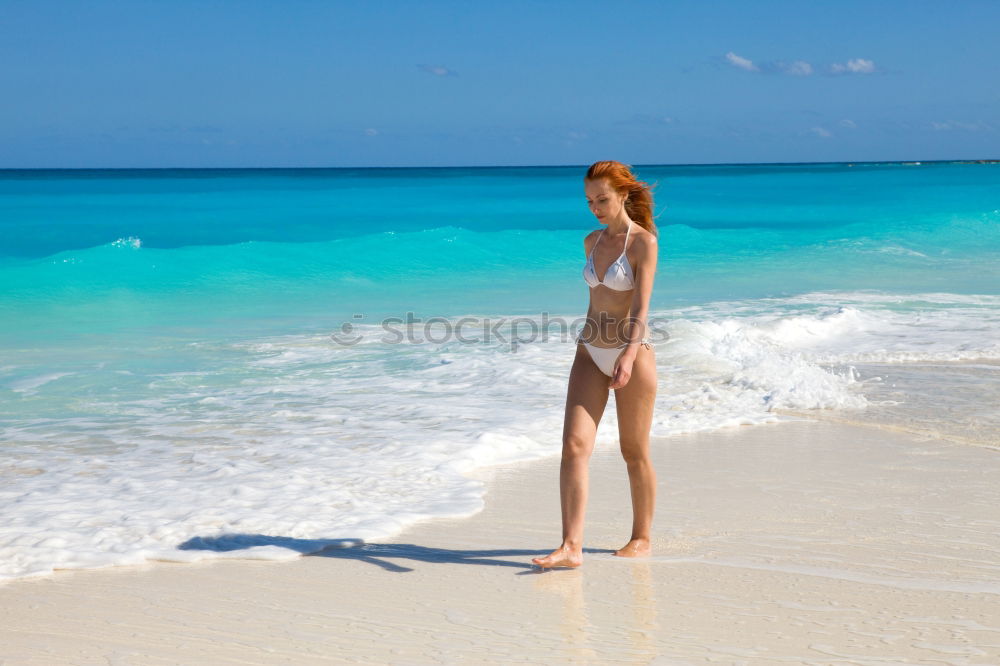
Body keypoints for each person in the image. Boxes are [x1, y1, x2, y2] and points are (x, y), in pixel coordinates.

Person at [532, 160, 659, 568]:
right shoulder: (591, 241)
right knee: (573, 447)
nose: (595, 207)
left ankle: (641, 537)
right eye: (589, 201)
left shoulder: (643, 244)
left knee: (633, 450)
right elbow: (594, 302)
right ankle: (571, 547)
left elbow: (641, 306)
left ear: (624, 193)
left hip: (632, 354)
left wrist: (628, 353)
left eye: (602, 199)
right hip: (589, 352)